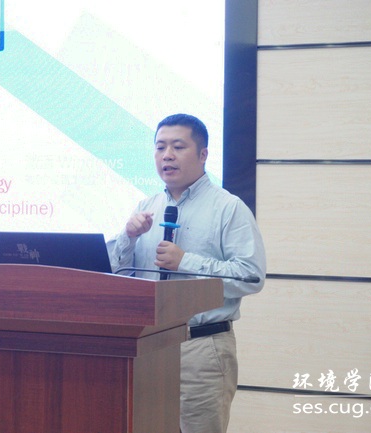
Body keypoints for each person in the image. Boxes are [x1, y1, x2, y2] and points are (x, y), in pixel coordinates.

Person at [107, 113, 266, 433]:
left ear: (203, 154)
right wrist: (128, 237)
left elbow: (251, 276)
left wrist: (186, 262)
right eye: (160, 147)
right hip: (147, 348)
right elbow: (115, 274)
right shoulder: (146, 206)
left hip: (201, 348)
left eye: (178, 147)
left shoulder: (228, 207)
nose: (167, 155)